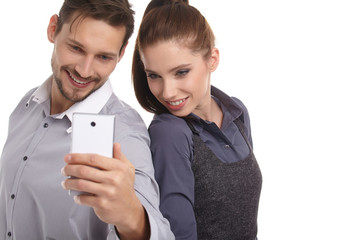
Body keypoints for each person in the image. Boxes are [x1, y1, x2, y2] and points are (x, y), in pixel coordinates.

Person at [0, 0, 174, 239]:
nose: (84, 70)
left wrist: (132, 216)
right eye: (76, 48)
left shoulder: (124, 133)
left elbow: (161, 233)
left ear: (121, 54)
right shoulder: (27, 105)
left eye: (103, 57)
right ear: (53, 29)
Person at [132, 0, 262, 239]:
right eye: (154, 76)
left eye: (181, 72)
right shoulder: (170, 133)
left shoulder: (238, 112)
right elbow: (178, 233)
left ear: (212, 59)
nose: (168, 92)